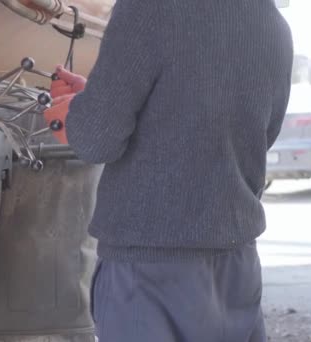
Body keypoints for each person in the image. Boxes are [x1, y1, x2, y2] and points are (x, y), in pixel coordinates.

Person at [44, 1, 293, 341]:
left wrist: (73, 119)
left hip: (151, 272)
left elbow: (95, 141)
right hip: (237, 266)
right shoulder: (273, 23)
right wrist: (97, 101)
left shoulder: (149, 8)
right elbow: (242, 133)